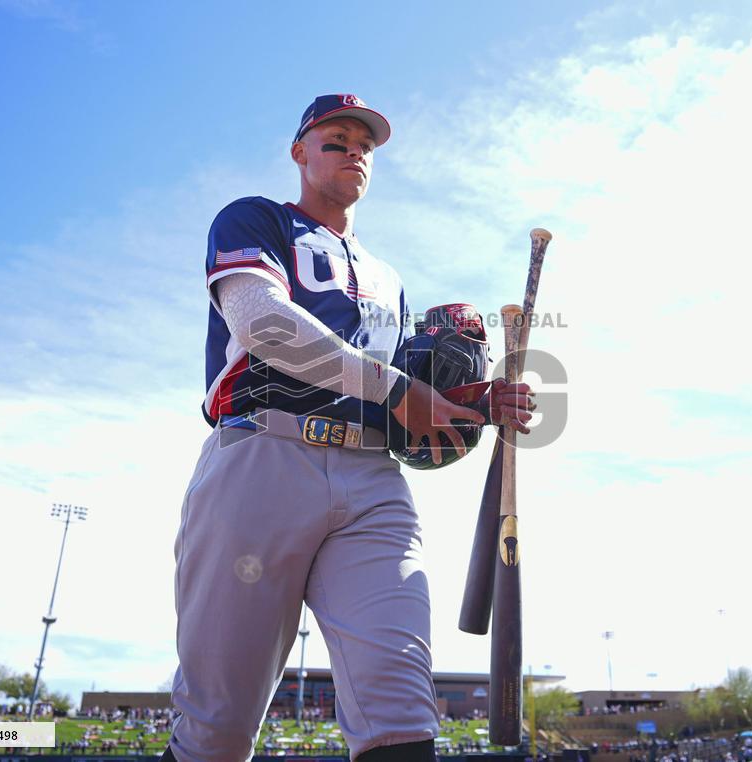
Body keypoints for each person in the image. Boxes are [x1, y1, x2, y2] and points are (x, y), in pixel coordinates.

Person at [163, 94, 535, 762]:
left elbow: (409, 391)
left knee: (400, 713)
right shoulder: (256, 219)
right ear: (299, 151)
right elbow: (263, 325)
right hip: (261, 454)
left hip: (372, 479)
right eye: (336, 139)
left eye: (365, 144)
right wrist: (396, 388)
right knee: (216, 728)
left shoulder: (389, 279)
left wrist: (484, 405)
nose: (354, 150)